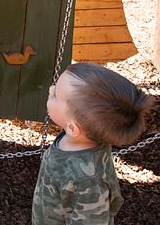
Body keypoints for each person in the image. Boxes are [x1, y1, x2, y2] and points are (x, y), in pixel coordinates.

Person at [32, 62, 154, 224]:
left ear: (73, 127)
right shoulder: (86, 136)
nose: (51, 89)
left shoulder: (86, 181)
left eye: (56, 95)